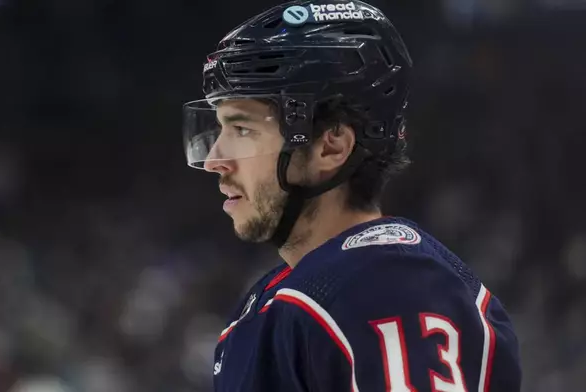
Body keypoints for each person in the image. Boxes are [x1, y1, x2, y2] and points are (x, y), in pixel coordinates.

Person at [182, 1, 522, 391]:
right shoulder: (301, 291)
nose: (215, 160)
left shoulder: (389, 289)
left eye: (242, 129)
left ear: (331, 147)